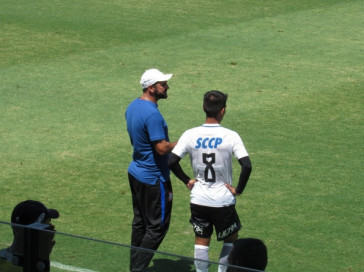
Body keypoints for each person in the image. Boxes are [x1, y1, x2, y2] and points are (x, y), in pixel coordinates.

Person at [168, 90, 252, 272]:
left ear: (203, 108)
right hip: (223, 201)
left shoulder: (190, 134)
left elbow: (171, 161)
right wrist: (238, 190)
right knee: (230, 240)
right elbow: (247, 165)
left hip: (199, 199)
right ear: (223, 110)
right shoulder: (231, 136)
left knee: (201, 242)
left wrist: (187, 180)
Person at [125, 68, 178, 272]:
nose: (166, 87)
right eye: (162, 84)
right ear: (151, 88)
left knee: (140, 223)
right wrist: (184, 142)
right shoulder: (152, 115)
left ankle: (134, 266)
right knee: (157, 227)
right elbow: (161, 148)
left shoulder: (133, 107)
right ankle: (138, 270)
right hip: (154, 178)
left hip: (136, 171)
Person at [0, 200, 59, 272]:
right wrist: (43, 260)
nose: (53, 231)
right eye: (47, 226)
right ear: (32, 232)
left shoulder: (3, 258)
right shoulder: (12, 268)